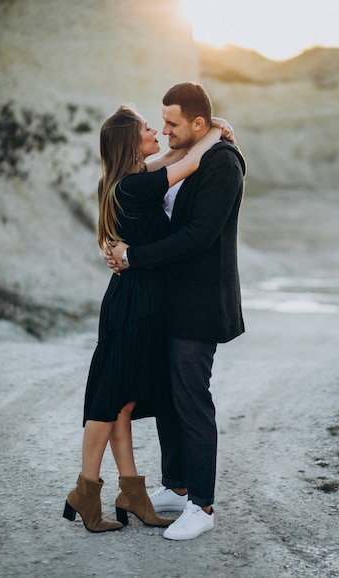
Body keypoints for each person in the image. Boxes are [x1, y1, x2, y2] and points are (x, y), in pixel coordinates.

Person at [63, 104, 226, 533]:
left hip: (136, 298)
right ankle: (87, 489)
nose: (156, 131)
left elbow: (170, 159)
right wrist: (216, 133)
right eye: (146, 128)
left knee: (125, 400)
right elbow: (188, 162)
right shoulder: (135, 186)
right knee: (110, 398)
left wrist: (206, 132)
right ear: (129, 142)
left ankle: (131, 491)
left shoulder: (125, 180)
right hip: (135, 302)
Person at [105, 82, 246, 540]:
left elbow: (199, 236)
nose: (164, 130)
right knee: (168, 400)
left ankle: (202, 507)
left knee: (191, 401)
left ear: (198, 124)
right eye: (161, 123)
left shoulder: (223, 163)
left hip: (199, 304)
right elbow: (137, 187)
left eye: (172, 123)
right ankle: (178, 487)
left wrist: (133, 258)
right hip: (167, 301)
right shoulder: (187, 154)